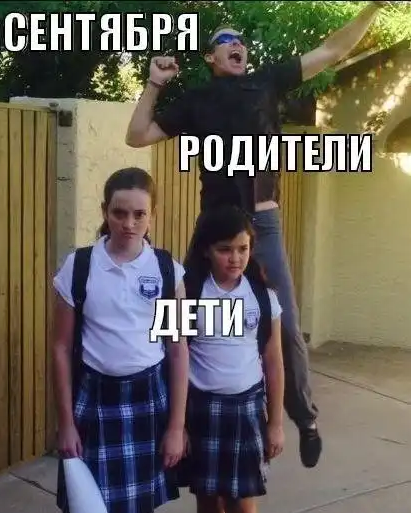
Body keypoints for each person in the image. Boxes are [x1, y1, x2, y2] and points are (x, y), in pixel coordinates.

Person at [125, 1, 390, 468]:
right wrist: (154, 84)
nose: (237, 45)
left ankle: (305, 420)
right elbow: (137, 136)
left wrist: (373, 7)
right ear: (211, 57)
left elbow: (332, 51)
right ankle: (174, 421)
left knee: (284, 324)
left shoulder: (267, 82)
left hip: (261, 223)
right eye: (226, 41)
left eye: (240, 41)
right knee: (179, 316)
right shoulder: (197, 101)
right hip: (215, 223)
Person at [52, 167, 189, 513]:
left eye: (139, 214)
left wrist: (176, 426)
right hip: (96, 403)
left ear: (152, 215)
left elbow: (178, 349)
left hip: (149, 400)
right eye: (119, 213)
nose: (129, 223)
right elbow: (60, 348)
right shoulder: (79, 267)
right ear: (105, 211)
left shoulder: (168, 271)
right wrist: (66, 423)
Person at [180, 205, 284, 513]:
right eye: (225, 249)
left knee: (241, 505)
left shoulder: (263, 296)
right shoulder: (185, 293)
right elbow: (172, 357)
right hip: (201, 409)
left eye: (243, 248)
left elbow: (274, 361)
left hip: (246, 410)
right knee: (208, 502)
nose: (235, 258)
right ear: (206, 249)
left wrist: (275, 422)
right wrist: (178, 425)